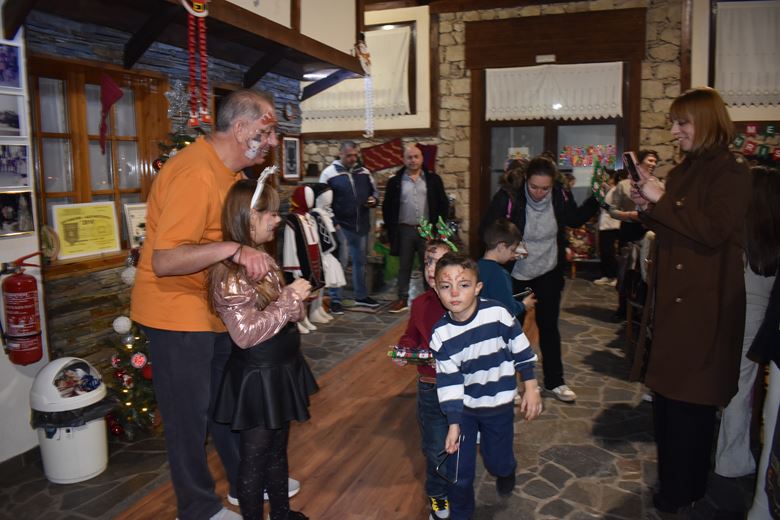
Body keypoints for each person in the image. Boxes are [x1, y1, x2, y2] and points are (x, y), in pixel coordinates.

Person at [130, 89, 293, 520]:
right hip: (175, 313)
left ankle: (246, 481)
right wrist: (234, 250)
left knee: (226, 405)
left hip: (210, 311)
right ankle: (197, 507)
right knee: (188, 419)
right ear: (240, 129)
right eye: (266, 130)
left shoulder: (230, 175)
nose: (273, 140)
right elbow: (166, 260)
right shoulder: (195, 173)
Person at [630, 87, 750, 514]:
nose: (674, 130)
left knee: (690, 406)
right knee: (667, 404)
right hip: (674, 306)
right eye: (673, 122)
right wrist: (648, 207)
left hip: (704, 308)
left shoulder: (732, 173)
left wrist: (662, 200)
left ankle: (685, 490)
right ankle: (675, 484)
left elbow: (714, 230)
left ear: (707, 122)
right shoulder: (682, 173)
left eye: (682, 122)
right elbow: (676, 228)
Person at [209, 178, 317, 520]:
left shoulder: (263, 259)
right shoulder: (230, 273)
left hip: (281, 369)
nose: (277, 219)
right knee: (254, 459)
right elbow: (244, 334)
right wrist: (289, 299)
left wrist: (295, 301)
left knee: (277, 450)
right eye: (270, 213)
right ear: (248, 217)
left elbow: (286, 314)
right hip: (258, 377)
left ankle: (281, 513)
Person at [429, 253, 542, 520]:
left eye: (463, 284)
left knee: (497, 461)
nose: (454, 292)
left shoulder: (498, 314)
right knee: (459, 471)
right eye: (446, 286)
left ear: (478, 287)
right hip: (465, 410)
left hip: (498, 404)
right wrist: (453, 423)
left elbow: (521, 349)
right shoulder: (441, 335)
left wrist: (531, 386)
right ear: (436, 289)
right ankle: (461, 514)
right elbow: (449, 381)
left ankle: (506, 470)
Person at [479, 155, 599, 403]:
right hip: (517, 274)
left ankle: (555, 382)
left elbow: (574, 218)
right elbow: (488, 230)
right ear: (526, 179)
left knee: (549, 327)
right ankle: (506, 384)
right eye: (534, 187)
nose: (539, 193)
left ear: (553, 184)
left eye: (545, 188)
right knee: (509, 328)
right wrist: (514, 249)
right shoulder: (509, 196)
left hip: (548, 271)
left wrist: (598, 198)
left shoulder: (559, 195)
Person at [394, 237, 455, 520]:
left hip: (462, 387)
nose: (432, 268)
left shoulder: (461, 302)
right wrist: (405, 349)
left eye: (440, 262)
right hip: (431, 387)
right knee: (435, 447)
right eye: (428, 261)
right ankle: (438, 496)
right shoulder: (420, 303)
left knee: (458, 445)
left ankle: (456, 486)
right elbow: (411, 336)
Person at [734, 166, 780, 520]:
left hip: (742, 309)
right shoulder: (770, 231)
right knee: (745, 388)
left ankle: (733, 457)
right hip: (760, 314)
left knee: (740, 385)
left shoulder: (743, 226)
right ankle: (733, 458)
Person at [383, 143, 450, 313]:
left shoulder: (433, 179)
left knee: (430, 265)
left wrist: (439, 228)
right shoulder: (395, 182)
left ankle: (432, 298)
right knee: (404, 266)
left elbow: (443, 204)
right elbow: (387, 208)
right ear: (404, 160)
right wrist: (390, 231)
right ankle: (402, 298)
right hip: (404, 230)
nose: (413, 160)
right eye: (409, 157)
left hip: (427, 230)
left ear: (421, 158)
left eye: (416, 157)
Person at [319, 141, 380, 313]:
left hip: (361, 226)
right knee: (340, 264)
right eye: (349, 155)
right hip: (341, 227)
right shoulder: (329, 174)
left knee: (360, 263)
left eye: (355, 155)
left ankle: (361, 296)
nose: (353, 158)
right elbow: (321, 202)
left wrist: (373, 200)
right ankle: (335, 299)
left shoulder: (364, 172)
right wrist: (334, 224)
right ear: (340, 154)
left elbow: (374, 192)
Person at [609, 150, 659, 320]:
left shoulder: (658, 185)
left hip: (649, 234)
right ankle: (623, 308)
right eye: (650, 160)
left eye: (655, 161)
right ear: (639, 162)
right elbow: (612, 210)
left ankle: (642, 310)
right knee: (625, 272)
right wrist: (630, 215)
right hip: (628, 233)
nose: (653, 164)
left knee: (645, 274)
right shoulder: (624, 185)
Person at [477, 217, 536, 319]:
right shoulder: (500, 274)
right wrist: (524, 305)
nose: (513, 255)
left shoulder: (475, 267)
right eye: (512, 250)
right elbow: (508, 309)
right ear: (501, 247)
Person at [594, 170, 620, 287]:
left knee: (610, 252)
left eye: (605, 177)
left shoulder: (616, 190)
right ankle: (606, 275)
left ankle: (615, 276)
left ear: (612, 178)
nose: (603, 179)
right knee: (604, 252)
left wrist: (600, 201)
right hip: (604, 225)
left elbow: (613, 207)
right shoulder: (609, 190)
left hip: (611, 225)